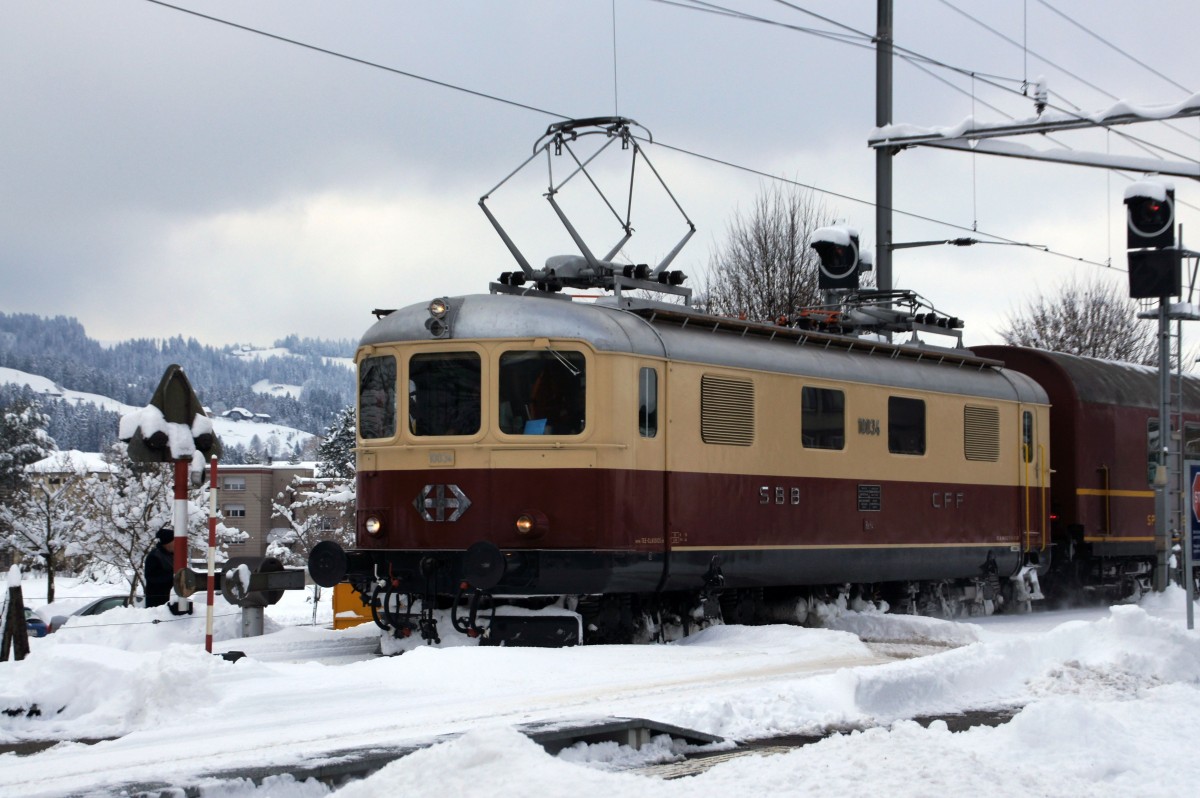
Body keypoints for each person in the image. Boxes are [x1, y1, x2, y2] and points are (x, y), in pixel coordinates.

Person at [144, 526, 175, 608]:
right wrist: (173, 575)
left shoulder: (173, 555)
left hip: (171, 599)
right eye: (174, 541)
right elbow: (150, 577)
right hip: (157, 603)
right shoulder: (154, 556)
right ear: (168, 542)